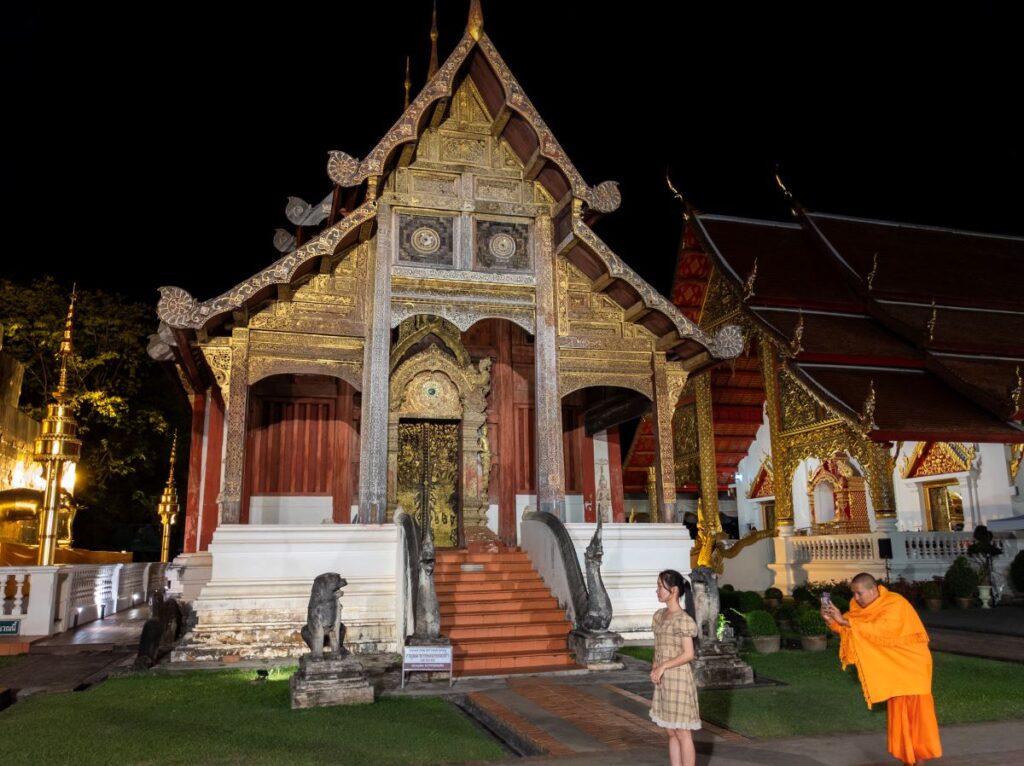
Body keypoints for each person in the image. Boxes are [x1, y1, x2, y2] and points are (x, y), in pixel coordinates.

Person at [822, 572, 942, 765]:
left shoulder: (895, 603)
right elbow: (850, 627)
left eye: (859, 593)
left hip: (912, 664)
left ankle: (919, 757)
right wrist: (831, 620)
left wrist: (846, 621)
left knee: (916, 712)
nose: (856, 598)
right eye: (853, 594)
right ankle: (909, 758)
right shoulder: (858, 607)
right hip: (891, 665)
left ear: (873, 590)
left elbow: (880, 629)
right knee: (899, 711)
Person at [649, 569, 700, 766]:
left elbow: (688, 654)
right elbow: (659, 647)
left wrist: (662, 667)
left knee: (682, 731)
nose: (657, 591)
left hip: (679, 679)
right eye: (658, 587)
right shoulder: (659, 616)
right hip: (664, 681)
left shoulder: (684, 620)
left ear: (674, 590)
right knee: (670, 731)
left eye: (661, 587)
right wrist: (655, 668)